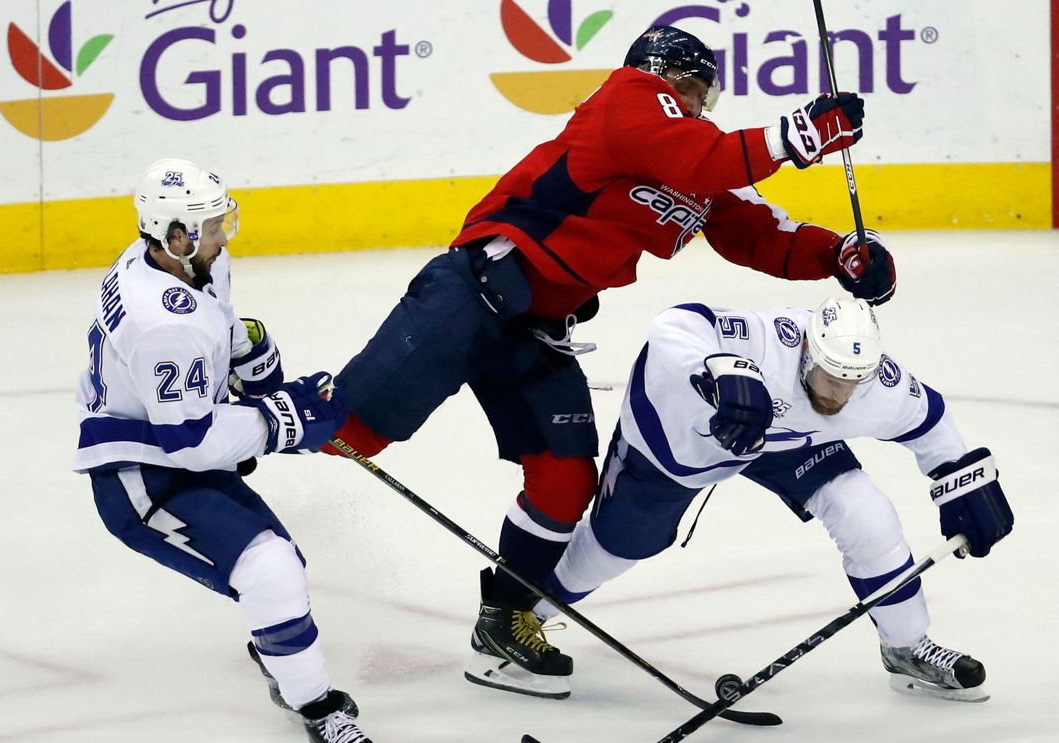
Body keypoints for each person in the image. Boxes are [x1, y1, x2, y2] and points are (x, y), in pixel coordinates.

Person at [325, 25, 895, 700]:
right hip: (471, 295)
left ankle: (506, 615)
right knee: (343, 430)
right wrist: (792, 137)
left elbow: (754, 231)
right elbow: (700, 157)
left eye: (702, 96)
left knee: (566, 482)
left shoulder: (697, 160)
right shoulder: (629, 98)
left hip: (536, 332)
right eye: (693, 88)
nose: (699, 103)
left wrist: (838, 255)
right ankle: (213, 479)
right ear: (666, 75)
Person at [527, 297, 1014, 701]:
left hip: (785, 441)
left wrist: (966, 483)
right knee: (619, 546)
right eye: (830, 378)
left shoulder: (873, 385)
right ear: (806, 350)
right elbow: (676, 323)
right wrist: (721, 369)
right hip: (681, 433)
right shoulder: (767, 340)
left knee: (867, 515)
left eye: (851, 383)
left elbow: (930, 423)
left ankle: (906, 646)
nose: (839, 395)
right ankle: (522, 615)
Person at [73, 159, 385, 743]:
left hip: (173, 452)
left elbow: (220, 330)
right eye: (213, 227)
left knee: (280, 568)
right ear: (178, 237)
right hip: (141, 478)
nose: (225, 235)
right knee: (269, 572)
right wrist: (282, 422)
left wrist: (259, 363)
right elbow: (189, 440)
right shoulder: (162, 321)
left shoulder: (180, 263)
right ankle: (317, 707)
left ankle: (279, 654)